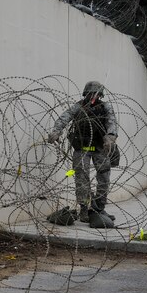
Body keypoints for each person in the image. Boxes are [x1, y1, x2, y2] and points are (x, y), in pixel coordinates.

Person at [47, 81, 118, 227]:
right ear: (86, 93)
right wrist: (56, 131)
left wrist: (110, 137)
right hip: (82, 148)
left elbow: (112, 122)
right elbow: (64, 118)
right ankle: (85, 209)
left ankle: (99, 209)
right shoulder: (78, 107)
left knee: (104, 178)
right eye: (90, 93)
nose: (93, 96)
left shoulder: (105, 107)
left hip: (100, 148)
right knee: (82, 180)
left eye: (96, 94)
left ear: (100, 95)